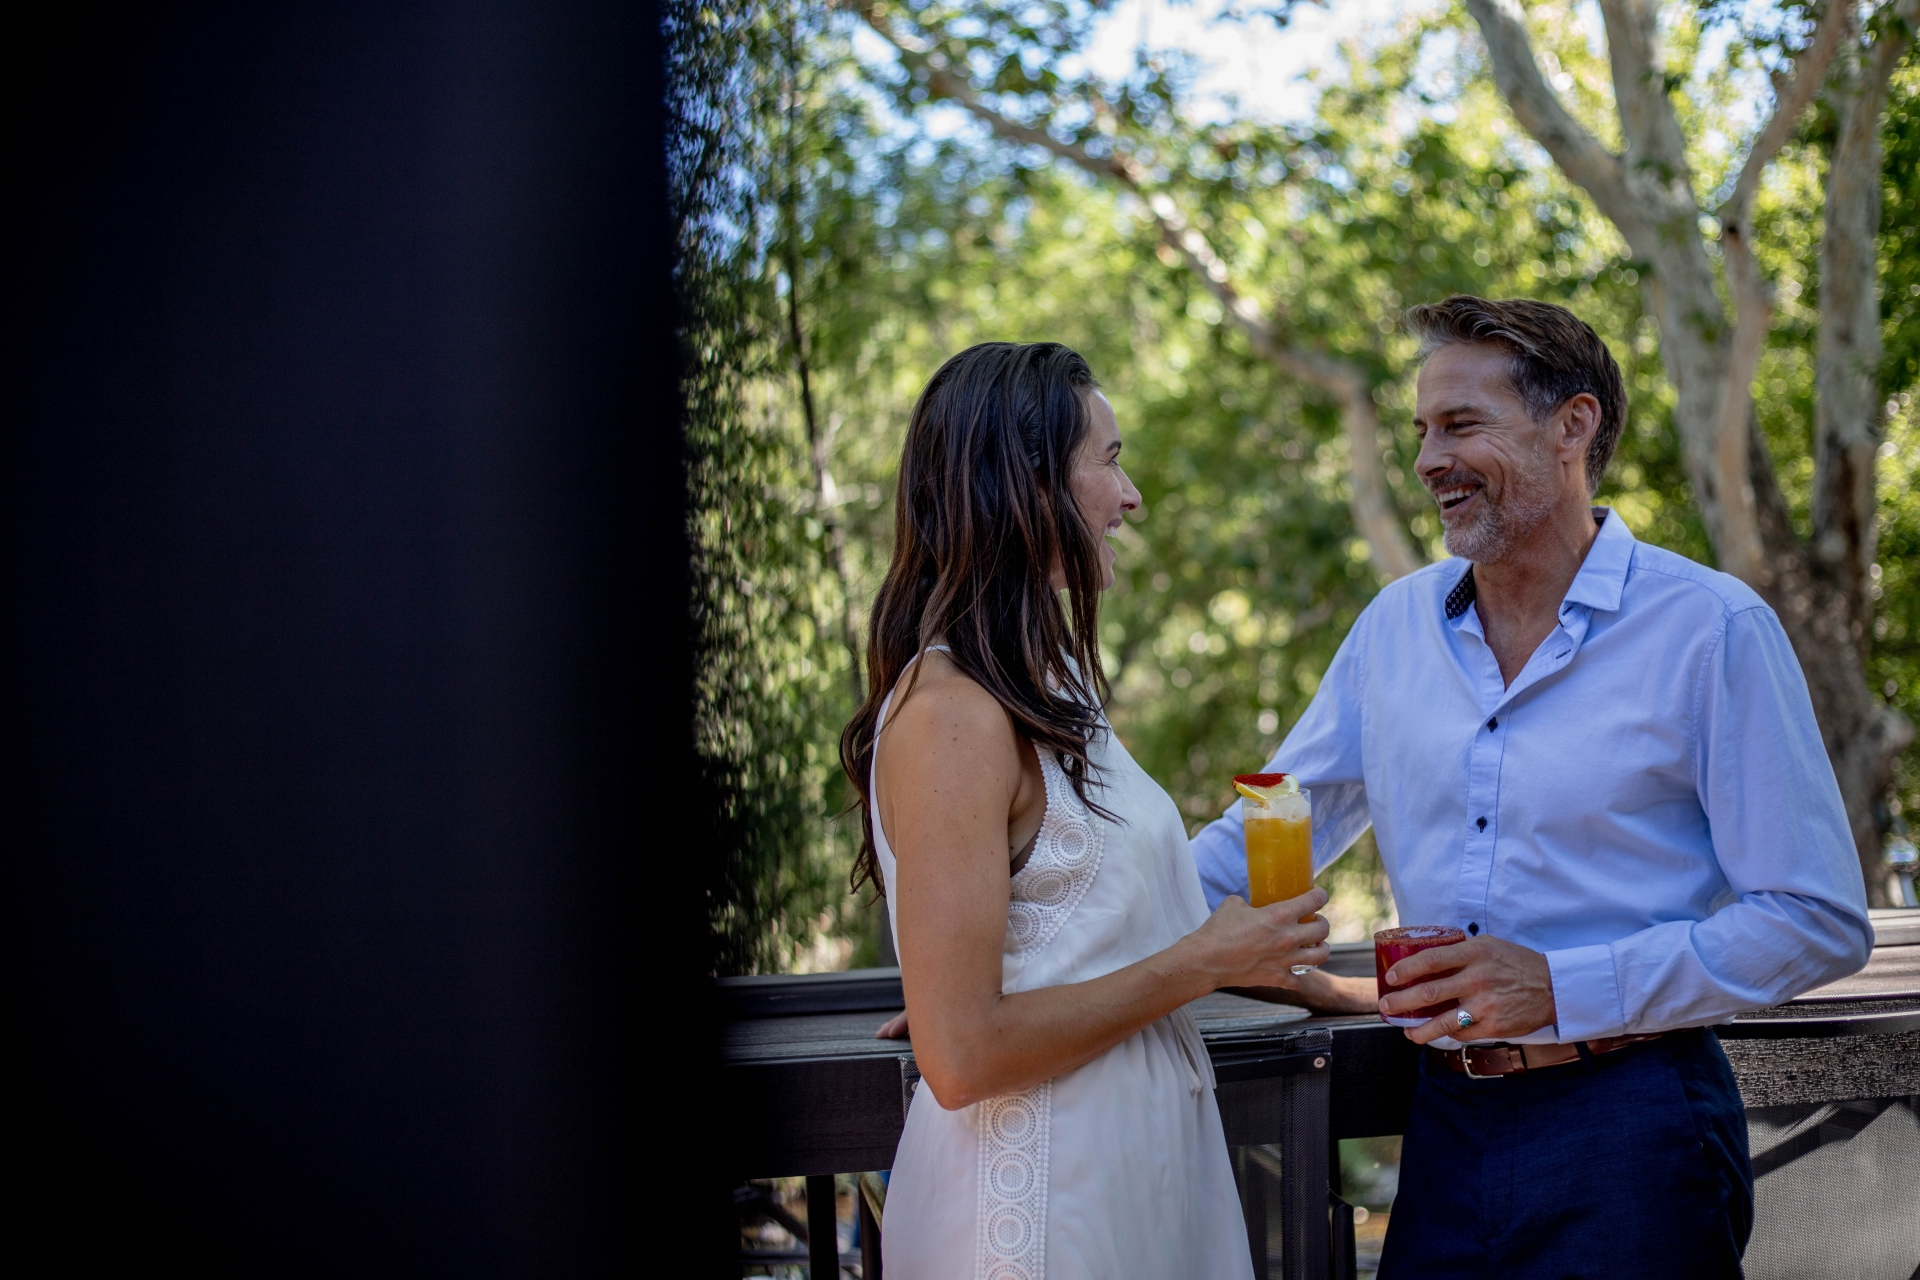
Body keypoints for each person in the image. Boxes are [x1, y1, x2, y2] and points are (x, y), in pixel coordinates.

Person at [1190, 296, 1873, 1278]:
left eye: (1460, 424)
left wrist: (1560, 986)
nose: (1427, 459)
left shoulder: (1712, 627)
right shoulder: (1392, 629)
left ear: (1573, 426)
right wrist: (1062, 962)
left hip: (1638, 1123)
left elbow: (1815, 916)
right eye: (1422, 429)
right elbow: (1253, 837)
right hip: (1445, 1123)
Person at [843, 342, 1331, 1279]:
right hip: (1033, 1211)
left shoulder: (1048, 686)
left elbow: (1094, 931)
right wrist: (1197, 965)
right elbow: (963, 1055)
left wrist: (1365, 992)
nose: (1131, 494)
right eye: (1108, 461)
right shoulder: (950, 714)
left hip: (1134, 1180)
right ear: (1028, 485)